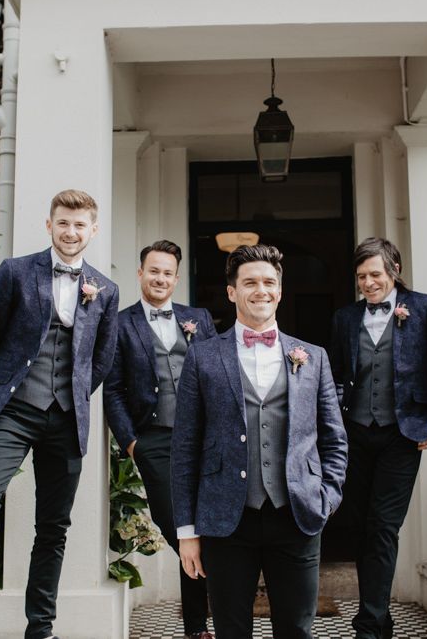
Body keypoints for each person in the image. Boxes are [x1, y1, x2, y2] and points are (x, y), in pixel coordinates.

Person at [0, 189, 119, 639]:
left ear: (92, 230)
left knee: (53, 526)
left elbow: (101, 359)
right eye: (63, 222)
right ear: (49, 224)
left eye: (80, 224)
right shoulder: (17, 272)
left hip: (66, 418)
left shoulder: (105, 290)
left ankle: (40, 627)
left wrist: (75, 395)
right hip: (14, 410)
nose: (71, 231)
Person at [172, 243, 348, 639]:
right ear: (232, 291)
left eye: (269, 282)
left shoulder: (313, 357)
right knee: (232, 630)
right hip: (225, 522)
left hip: (297, 515)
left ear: (280, 291)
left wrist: (327, 497)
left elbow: (334, 438)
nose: (261, 290)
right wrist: (187, 532)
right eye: (249, 282)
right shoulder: (202, 358)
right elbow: (184, 449)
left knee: (297, 630)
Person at [329, 237, 427, 639]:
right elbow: (337, 376)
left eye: (375, 274)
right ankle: (378, 617)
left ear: (394, 268)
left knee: (382, 526)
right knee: (359, 527)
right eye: (362, 276)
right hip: (355, 434)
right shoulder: (345, 317)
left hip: (403, 435)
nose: (368, 283)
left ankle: (368, 622)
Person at [104, 239, 216, 639]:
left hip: (203, 440)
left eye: (168, 272)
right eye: (154, 271)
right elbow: (112, 389)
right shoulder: (119, 323)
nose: (160, 278)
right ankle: (201, 623)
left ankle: (197, 628)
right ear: (140, 273)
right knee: (180, 530)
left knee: (204, 530)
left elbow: (218, 374)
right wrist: (132, 442)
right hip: (153, 442)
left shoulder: (199, 318)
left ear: (176, 277)